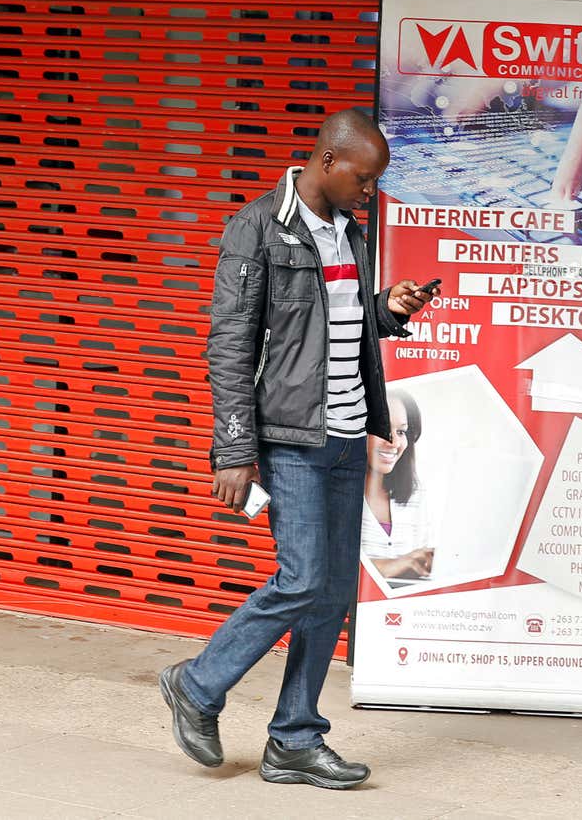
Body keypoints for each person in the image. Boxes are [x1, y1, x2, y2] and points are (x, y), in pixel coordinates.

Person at [158, 109, 433, 789]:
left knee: (333, 591)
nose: (370, 193)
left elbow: (329, 320)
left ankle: (294, 738)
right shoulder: (257, 229)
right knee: (303, 577)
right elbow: (230, 344)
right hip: (289, 441)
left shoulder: (349, 232)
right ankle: (198, 683)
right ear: (329, 162)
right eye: (365, 180)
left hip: (345, 436)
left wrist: (387, 310)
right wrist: (232, 450)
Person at [361, 389, 435, 580]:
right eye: (382, 428)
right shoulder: (336, 490)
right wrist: (393, 565)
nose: (393, 442)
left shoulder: (417, 495)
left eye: (401, 431)